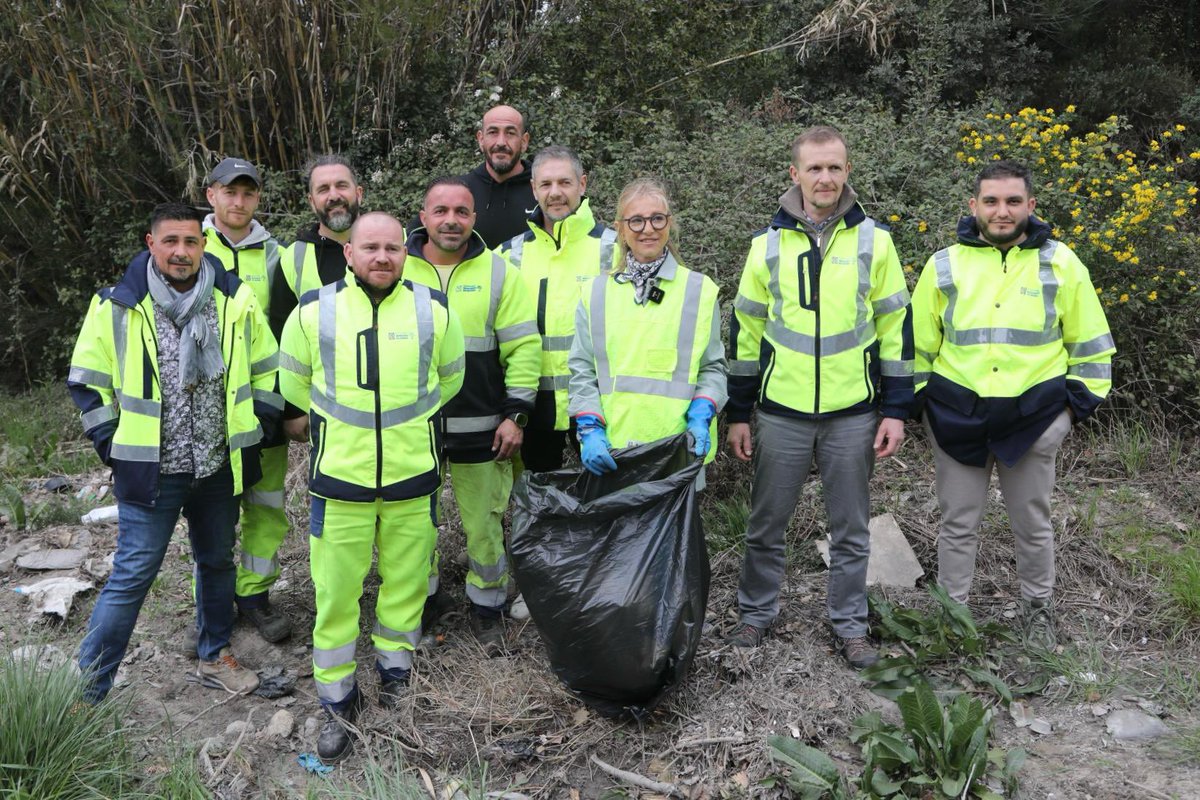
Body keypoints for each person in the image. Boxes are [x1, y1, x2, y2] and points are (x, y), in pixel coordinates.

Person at [68, 202, 278, 702]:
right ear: (151, 244)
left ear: (203, 244)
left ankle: (214, 655)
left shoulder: (234, 299)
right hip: (151, 471)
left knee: (217, 563)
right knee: (132, 576)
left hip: (216, 465)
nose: (181, 252)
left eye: (190, 241)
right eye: (170, 242)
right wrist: (112, 446)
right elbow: (86, 381)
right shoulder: (118, 304)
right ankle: (88, 692)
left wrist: (260, 426)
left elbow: (269, 368)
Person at [278, 212, 465, 762]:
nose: (382, 257)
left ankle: (395, 673)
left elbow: (450, 378)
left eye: (392, 247)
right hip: (340, 481)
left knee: (405, 583)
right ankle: (336, 699)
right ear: (350, 254)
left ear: (405, 252)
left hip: (413, 477)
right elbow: (294, 381)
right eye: (370, 248)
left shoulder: (433, 310)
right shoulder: (313, 311)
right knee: (335, 594)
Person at [725, 126, 913, 669]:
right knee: (766, 524)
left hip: (853, 412)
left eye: (834, 167)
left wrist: (896, 409)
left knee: (850, 529)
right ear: (795, 174)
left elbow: (895, 328)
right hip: (780, 412)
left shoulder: (876, 242)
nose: (824, 177)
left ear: (847, 170)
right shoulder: (765, 246)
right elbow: (746, 335)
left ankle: (850, 626)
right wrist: (740, 412)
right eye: (814, 168)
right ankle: (756, 615)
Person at [912, 159, 1114, 648]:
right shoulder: (944, 264)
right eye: (991, 201)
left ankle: (1037, 611)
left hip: (1035, 417)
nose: (1002, 212)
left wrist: (1067, 416)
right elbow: (915, 347)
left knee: (1032, 522)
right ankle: (951, 616)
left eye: (1012, 201)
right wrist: (925, 408)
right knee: (957, 523)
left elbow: (1092, 346)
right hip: (956, 417)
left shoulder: (1062, 263)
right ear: (973, 205)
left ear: (1030, 205)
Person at [404, 177, 540, 655]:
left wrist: (516, 415)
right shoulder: (396, 268)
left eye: (461, 211)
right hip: (412, 432)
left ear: (474, 219)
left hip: (483, 430)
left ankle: (488, 608)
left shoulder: (501, 272)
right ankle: (422, 603)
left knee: (484, 525)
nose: (451, 220)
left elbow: (524, 347)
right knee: (417, 525)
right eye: (440, 210)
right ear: (423, 217)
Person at [567, 177, 727, 478]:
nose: (648, 229)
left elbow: (713, 367)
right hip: (614, 454)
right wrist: (589, 429)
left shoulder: (699, 290)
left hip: (680, 451)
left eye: (657, 219)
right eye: (636, 221)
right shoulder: (595, 293)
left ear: (669, 223)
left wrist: (702, 414)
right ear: (621, 228)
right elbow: (582, 369)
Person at [201, 156, 290, 643]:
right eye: (229, 191)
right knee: (214, 509)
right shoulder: (188, 246)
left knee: (266, 502)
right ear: (211, 194)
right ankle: (212, 601)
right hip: (206, 414)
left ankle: (255, 594)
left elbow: (285, 329)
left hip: (261, 408)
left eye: (248, 193)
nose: (238, 201)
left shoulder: (276, 255)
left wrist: (281, 404)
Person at [499, 145, 618, 473]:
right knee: (543, 511)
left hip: (600, 407)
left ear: (582, 184)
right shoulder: (509, 255)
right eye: (546, 184)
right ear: (533, 188)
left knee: (606, 508)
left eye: (564, 183)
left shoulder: (615, 248)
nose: (555, 193)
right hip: (532, 411)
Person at [268, 154, 364, 336]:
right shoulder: (293, 259)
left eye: (341, 185)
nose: (334, 196)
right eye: (323, 189)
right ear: (312, 202)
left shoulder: (396, 243)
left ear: (359, 194)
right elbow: (283, 335)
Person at [460, 105, 536, 248]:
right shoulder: (459, 191)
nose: (501, 142)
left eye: (510, 133)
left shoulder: (544, 190)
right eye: (493, 132)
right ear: (481, 139)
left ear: (524, 141)